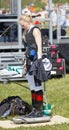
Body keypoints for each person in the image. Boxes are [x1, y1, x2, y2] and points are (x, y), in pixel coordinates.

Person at [19, 14, 43, 117]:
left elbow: (39, 46)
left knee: (37, 86)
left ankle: (39, 110)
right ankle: (34, 109)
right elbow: (28, 49)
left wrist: (39, 61)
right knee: (32, 86)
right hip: (29, 61)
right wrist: (25, 63)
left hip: (36, 61)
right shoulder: (26, 32)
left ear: (27, 22)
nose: (22, 26)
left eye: (22, 24)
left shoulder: (35, 30)